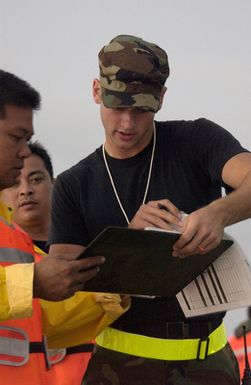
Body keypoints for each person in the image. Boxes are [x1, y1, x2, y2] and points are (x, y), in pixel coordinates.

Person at [48, 34, 251, 385]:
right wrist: (131, 243)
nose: (127, 123)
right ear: (96, 91)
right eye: (116, 105)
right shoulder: (72, 184)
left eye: (141, 109)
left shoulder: (196, 140)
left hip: (211, 366)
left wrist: (219, 213)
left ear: (161, 99)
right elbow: (63, 288)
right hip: (119, 369)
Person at [0, 69, 105, 321]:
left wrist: (114, 289)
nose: (25, 152)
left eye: (27, 139)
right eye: (16, 137)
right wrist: (32, 283)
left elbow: (41, 322)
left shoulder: (10, 229)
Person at [1, 141, 94, 385]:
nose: (25, 190)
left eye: (36, 179)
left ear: (54, 183)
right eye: (14, 183)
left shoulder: (91, 246)